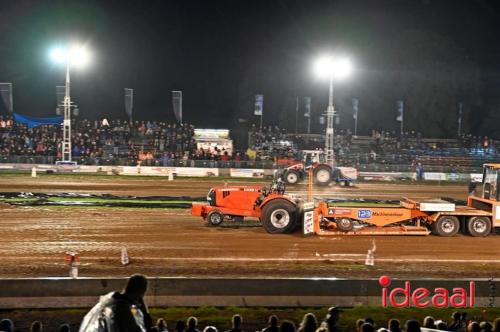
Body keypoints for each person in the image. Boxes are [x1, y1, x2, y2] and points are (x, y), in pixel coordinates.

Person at [78, 274, 152, 332]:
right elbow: (144, 325)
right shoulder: (124, 308)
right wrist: (143, 308)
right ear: (141, 292)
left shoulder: (114, 302)